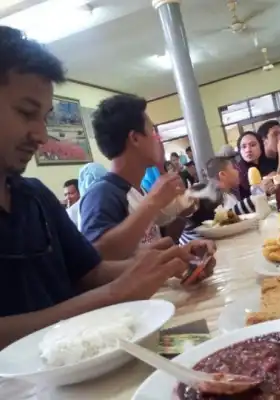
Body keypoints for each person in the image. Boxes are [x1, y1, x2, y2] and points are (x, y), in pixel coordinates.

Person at [0, 26, 209, 350]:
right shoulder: (102, 192)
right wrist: (115, 293)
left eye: (45, 118)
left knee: (213, 350)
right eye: (27, 113)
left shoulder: (35, 197)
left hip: (87, 368)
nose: (41, 136)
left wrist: (163, 264)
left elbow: (90, 271)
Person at [79, 94, 205, 261]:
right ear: (135, 138)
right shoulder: (102, 194)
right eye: (153, 133)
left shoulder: (139, 190)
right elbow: (97, 255)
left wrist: (182, 250)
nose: (159, 142)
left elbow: (152, 246)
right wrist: (153, 202)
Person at [237, 131, 280, 198]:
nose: (248, 150)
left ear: (261, 147)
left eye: (252, 145)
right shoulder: (238, 172)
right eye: (244, 147)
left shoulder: (269, 162)